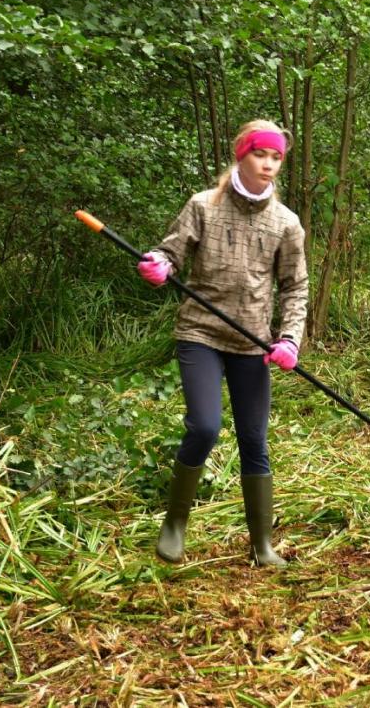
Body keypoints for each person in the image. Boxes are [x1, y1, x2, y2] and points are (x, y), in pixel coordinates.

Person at [137, 120, 308, 566]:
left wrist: (289, 338)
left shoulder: (286, 223)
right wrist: (159, 265)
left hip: (253, 343)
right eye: (261, 154)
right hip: (201, 334)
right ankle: (175, 523)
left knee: (255, 439)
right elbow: (170, 252)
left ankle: (262, 545)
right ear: (242, 154)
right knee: (206, 427)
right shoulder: (203, 206)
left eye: (276, 157)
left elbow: (295, 287)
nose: (269, 164)